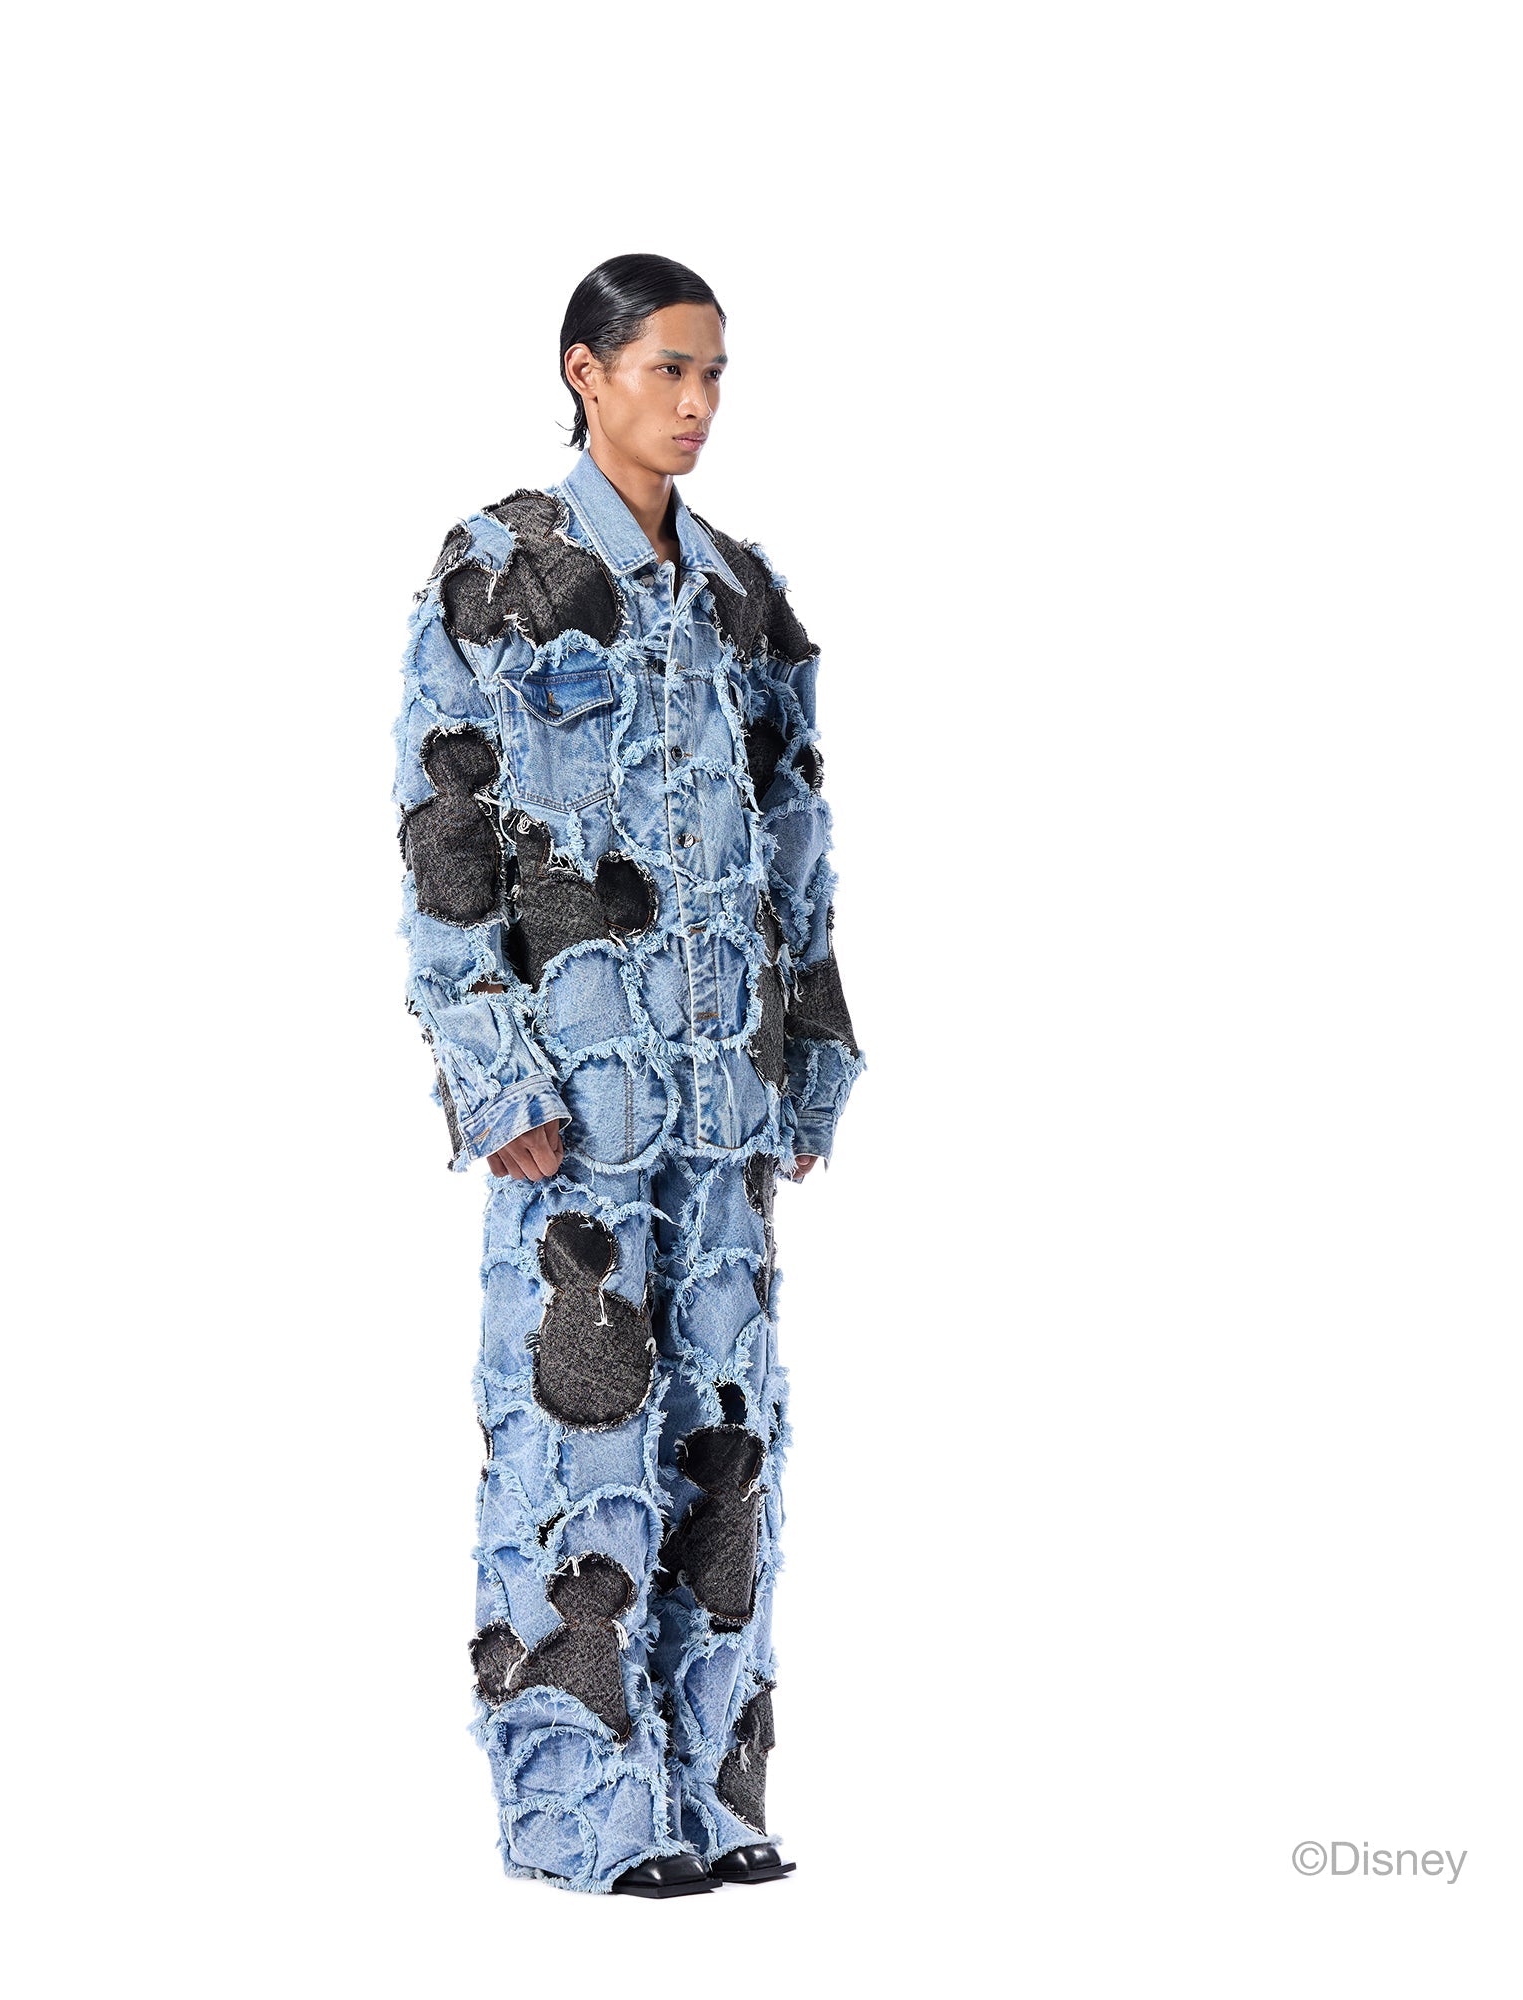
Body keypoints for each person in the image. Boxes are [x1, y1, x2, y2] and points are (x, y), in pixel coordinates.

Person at [389, 253, 865, 1898]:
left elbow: (796, 836)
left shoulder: (745, 595)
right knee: (576, 1441)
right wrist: (490, 1065)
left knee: (728, 1439)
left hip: (723, 1097)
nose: (699, 402)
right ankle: (586, 1813)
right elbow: (446, 825)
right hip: (574, 1105)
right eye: (670, 368)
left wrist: (810, 1055)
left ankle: (712, 1794)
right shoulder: (503, 567)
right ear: (585, 372)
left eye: (716, 373)